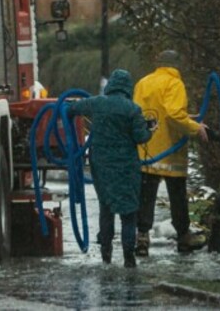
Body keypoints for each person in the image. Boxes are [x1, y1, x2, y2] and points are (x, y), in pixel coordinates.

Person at [68, 68, 153, 267]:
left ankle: (106, 256)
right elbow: (141, 137)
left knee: (106, 209)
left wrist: (70, 108)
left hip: (101, 166)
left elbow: (72, 109)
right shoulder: (133, 109)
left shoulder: (97, 103)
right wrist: (151, 130)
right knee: (128, 213)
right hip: (126, 167)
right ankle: (128, 258)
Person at [132, 50, 209, 256]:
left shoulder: (143, 83)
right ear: (176, 65)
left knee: (146, 196)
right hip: (170, 151)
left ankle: (142, 237)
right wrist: (196, 128)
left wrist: (188, 118)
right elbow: (174, 114)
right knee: (177, 196)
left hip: (147, 150)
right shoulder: (174, 83)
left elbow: (145, 112)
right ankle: (184, 237)